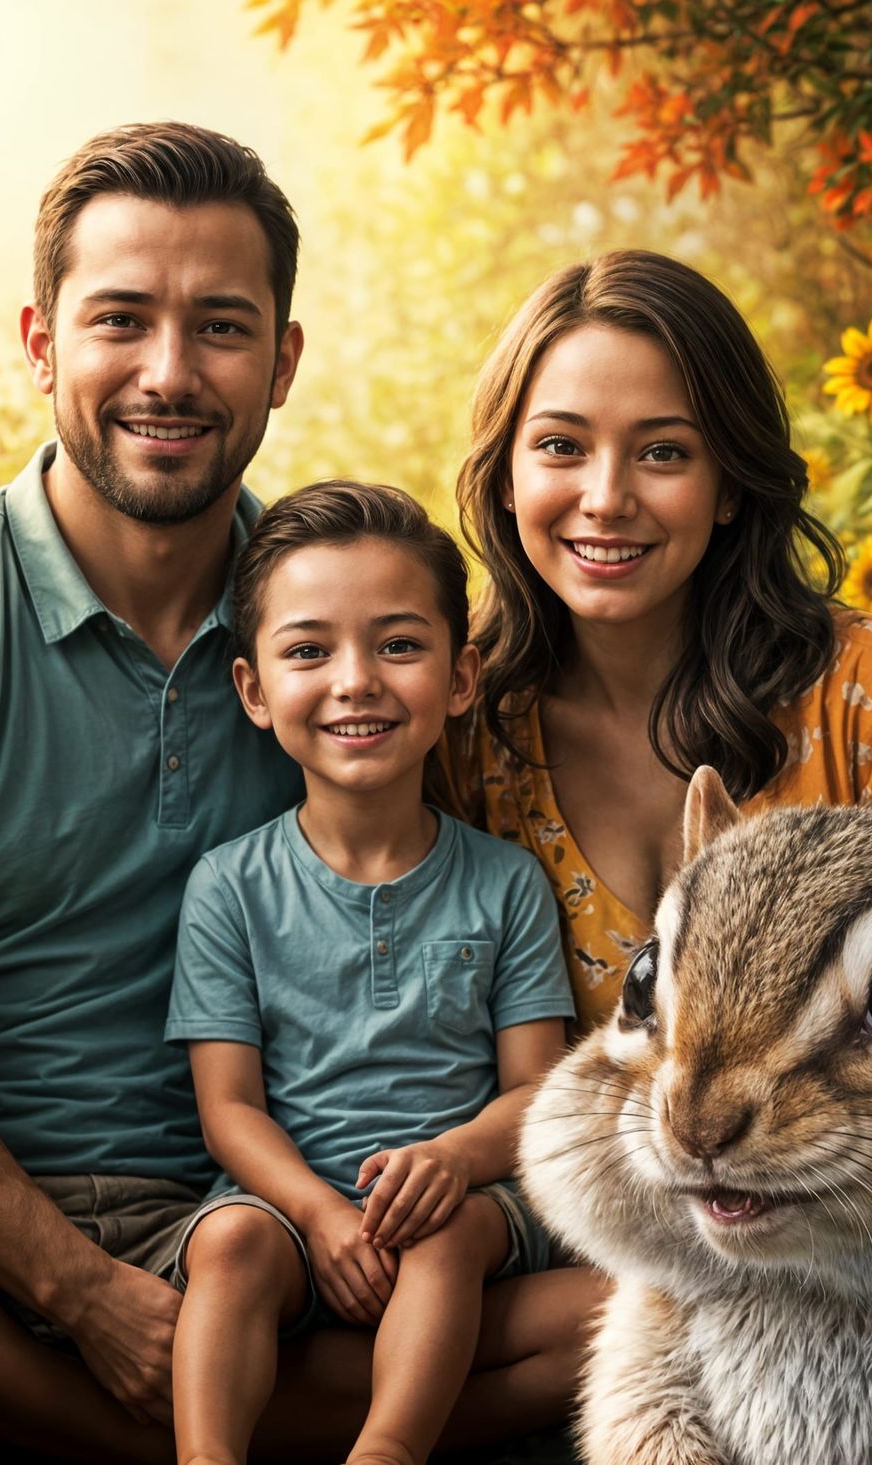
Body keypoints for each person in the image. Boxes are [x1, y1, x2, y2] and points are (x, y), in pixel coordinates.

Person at [0, 124, 588, 1465]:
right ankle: (143, 1422)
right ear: (41, 344)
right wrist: (84, 1298)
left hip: (276, 1244)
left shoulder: (340, 639)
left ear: (282, 360)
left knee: (631, 1316)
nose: (169, 372)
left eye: (219, 325)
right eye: (120, 320)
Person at [440, 250, 872, 1028]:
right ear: (506, 477)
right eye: (561, 446)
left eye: (663, 451)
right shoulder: (455, 716)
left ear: (730, 483)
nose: (605, 499)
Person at [169, 481, 574, 1465]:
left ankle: (385, 1448)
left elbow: (534, 1093)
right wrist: (315, 1212)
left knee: (597, 1293)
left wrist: (453, 1160)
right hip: (291, 1209)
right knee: (226, 1247)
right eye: (308, 650)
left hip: (464, 1210)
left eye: (398, 645)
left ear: (460, 676)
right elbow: (229, 1109)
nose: (356, 680)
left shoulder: (506, 883)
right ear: (254, 691)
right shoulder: (229, 886)